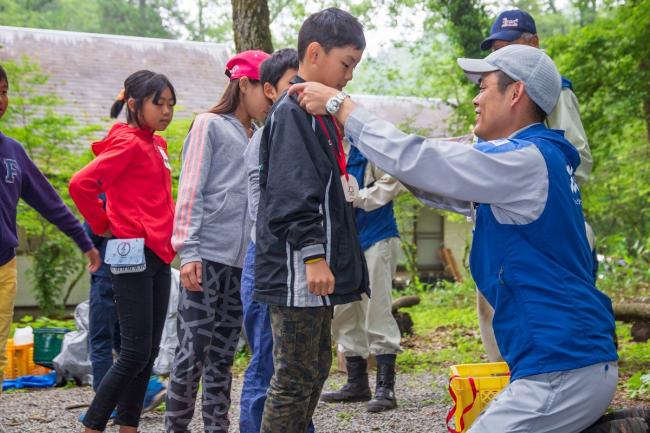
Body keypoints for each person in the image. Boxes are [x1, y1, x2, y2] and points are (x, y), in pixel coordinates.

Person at [290, 44, 619, 433]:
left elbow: (425, 160)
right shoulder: (534, 159)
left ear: (516, 93)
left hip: (561, 368)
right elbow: (435, 181)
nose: (476, 98)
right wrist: (382, 145)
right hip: (566, 361)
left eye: (484, 86)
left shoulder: (524, 160)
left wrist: (341, 106)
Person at [254, 7, 369, 433]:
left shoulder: (318, 112)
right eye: (347, 64)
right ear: (315, 53)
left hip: (311, 268)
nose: (349, 76)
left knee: (317, 367)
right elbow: (290, 189)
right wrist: (313, 254)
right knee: (293, 377)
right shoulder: (293, 110)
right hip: (295, 268)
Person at [477, 9, 595, 363]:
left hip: (548, 223)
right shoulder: (495, 89)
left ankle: (561, 382)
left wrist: (530, 175)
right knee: (491, 303)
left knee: (553, 309)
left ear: (534, 44)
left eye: (510, 46)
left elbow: (578, 157)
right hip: (501, 217)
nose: (502, 57)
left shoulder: (552, 88)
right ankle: (504, 383)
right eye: (496, 50)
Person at [166, 50, 271, 433]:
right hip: (204, 257)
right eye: (266, 89)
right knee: (191, 352)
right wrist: (188, 251)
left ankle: (216, 428)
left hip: (242, 262)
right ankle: (175, 427)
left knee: (224, 355)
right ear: (244, 84)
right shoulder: (208, 125)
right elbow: (191, 188)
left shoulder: (260, 136)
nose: (272, 97)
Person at [69, 70, 176, 433]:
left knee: (148, 349)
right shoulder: (128, 143)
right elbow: (81, 184)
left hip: (159, 254)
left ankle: (128, 426)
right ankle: (93, 424)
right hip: (131, 251)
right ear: (134, 104)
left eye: (171, 104)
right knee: (133, 350)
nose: (166, 111)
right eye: (158, 103)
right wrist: (102, 225)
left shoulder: (156, 145)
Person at [0, 64, 100, 393]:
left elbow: (51, 202)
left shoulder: (12, 152)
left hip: (4, 265)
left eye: (4, 91)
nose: (2, 99)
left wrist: (85, 241)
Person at [238, 48, 312, 433]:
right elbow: (264, 214)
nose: (302, 90)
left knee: (296, 366)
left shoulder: (300, 131)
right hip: (268, 260)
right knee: (268, 362)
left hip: (286, 259)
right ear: (269, 90)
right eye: (291, 83)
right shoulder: (266, 139)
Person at [321, 147, 404, 412]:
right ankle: (356, 383)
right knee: (344, 312)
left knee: (376, 308)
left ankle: (385, 387)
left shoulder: (368, 146)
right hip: (343, 243)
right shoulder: (325, 146)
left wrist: (360, 197)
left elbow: (396, 179)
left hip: (376, 236)